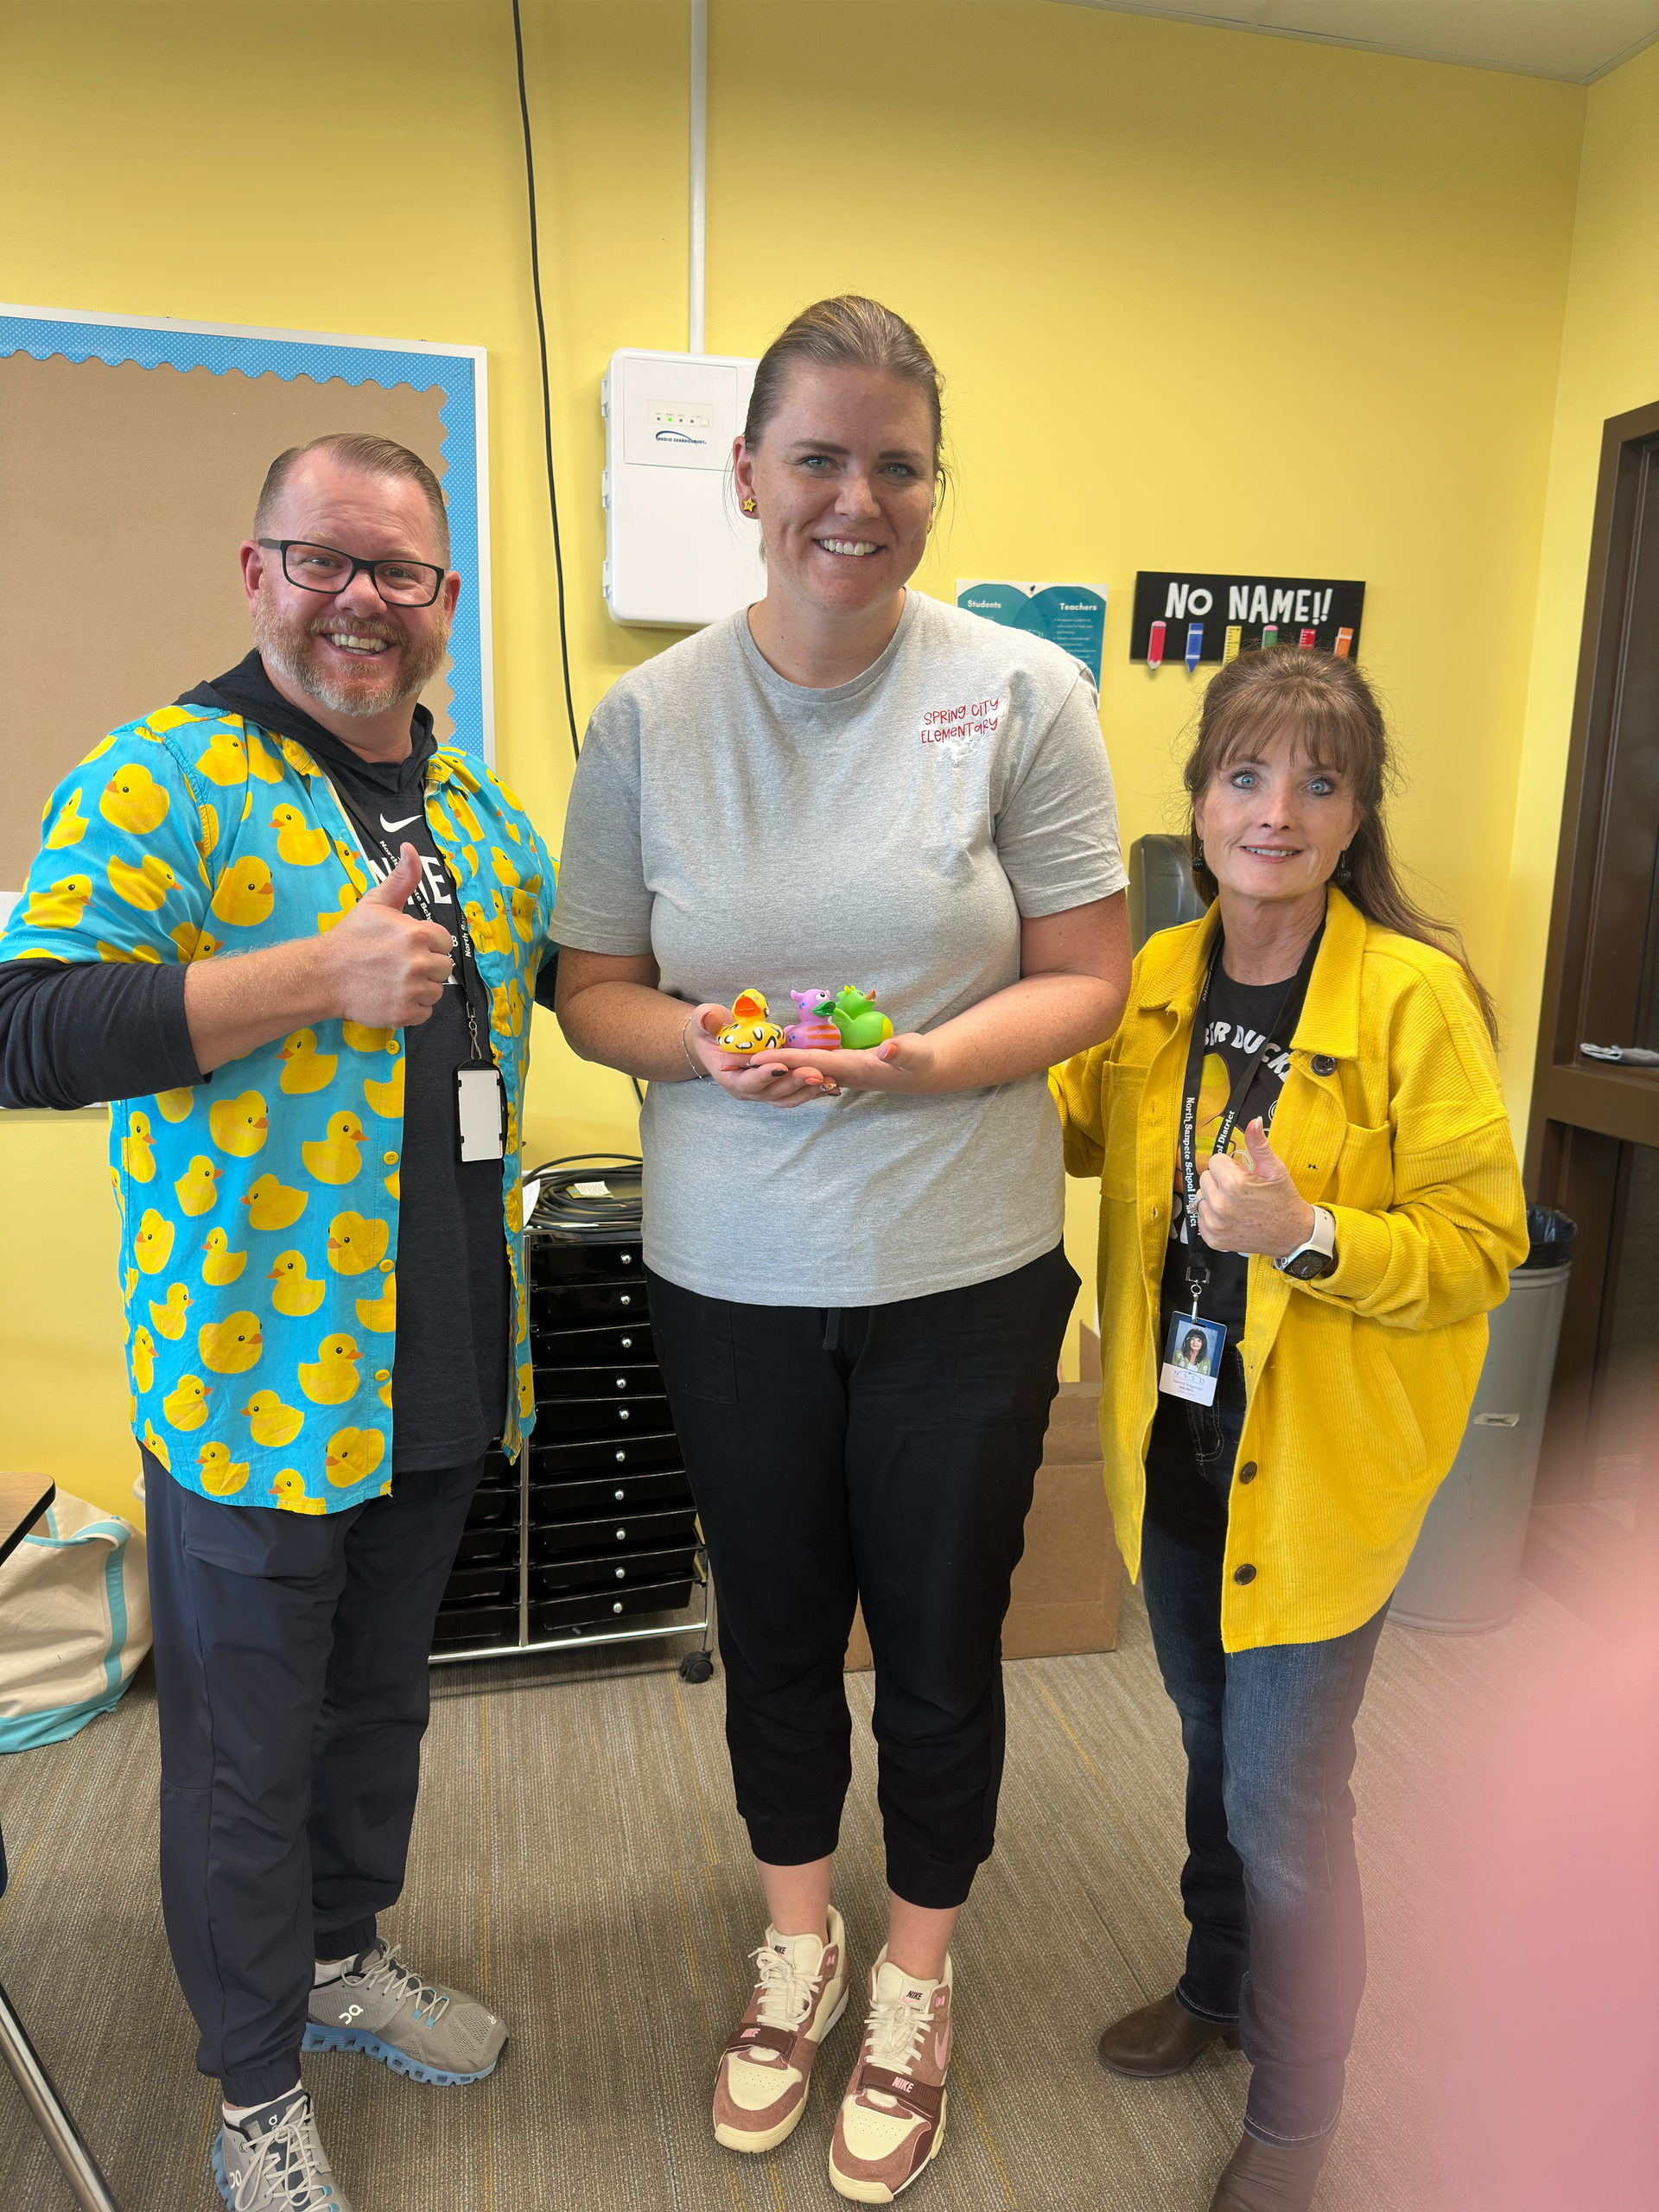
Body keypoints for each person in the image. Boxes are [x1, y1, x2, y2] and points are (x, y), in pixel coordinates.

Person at [554, 296, 1129, 2202]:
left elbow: (1093, 978)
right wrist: (702, 1043)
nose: (855, 498)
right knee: (781, 1631)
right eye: (818, 456)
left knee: (947, 1646)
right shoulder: (650, 719)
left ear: (931, 486)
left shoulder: (1025, 698)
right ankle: (794, 1941)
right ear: (745, 476)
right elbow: (593, 990)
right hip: (730, 1271)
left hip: (964, 1268)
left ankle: (915, 1972)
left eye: (896, 463)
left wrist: (929, 1063)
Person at [0, 434, 559, 2212]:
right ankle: (253, 2091)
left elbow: (581, 993)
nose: (361, 600)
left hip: (446, 1368)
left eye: (398, 570)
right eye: (324, 559)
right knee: (246, 1754)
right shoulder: (166, 777)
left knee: (375, 1712)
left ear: (445, 602)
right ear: (258, 572)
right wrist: (309, 976)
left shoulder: (477, 816)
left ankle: (340, 1961)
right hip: (254, 1391)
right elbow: (23, 1025)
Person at [1054, 646, 1527, 2212]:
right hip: (1180, 1449)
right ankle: (1219, 1983)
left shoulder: (1413, 995)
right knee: (1209, 1742)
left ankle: (1302, 2097)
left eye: (1318, 781)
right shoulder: (1160, 970)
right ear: (1198, 799)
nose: (1277, 810)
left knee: (1284, 1792)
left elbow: (1480, 1249)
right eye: (1246, 774)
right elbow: (1068, 1115)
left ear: (1356, 813)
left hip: (1319, 1475)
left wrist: (1310, 1235)